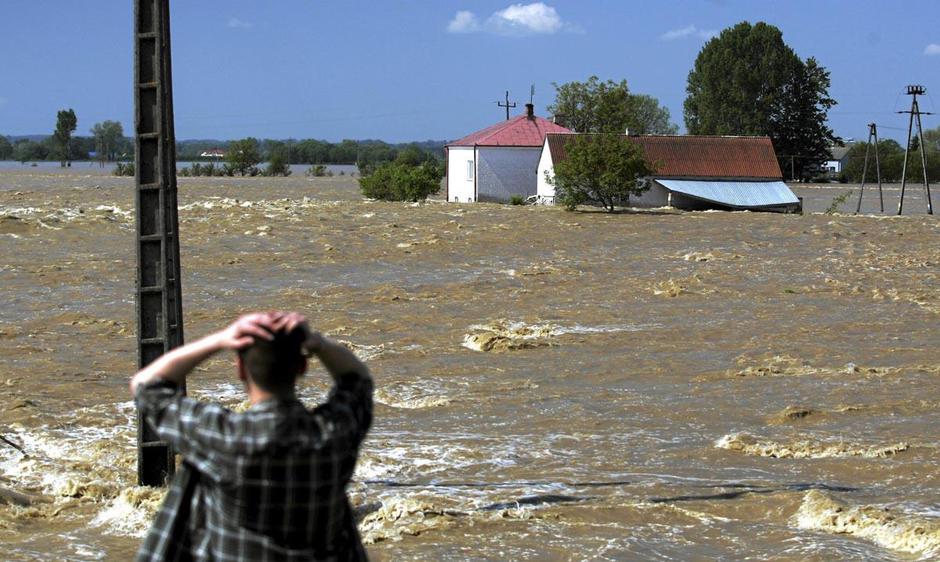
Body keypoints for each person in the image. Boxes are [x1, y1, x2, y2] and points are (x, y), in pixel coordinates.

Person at [130, 311, 373, 561]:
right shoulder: (332, 436)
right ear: (302, 367)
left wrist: (221, 339)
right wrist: (317, 342)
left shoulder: (224, 438)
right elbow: (358, 380)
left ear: (240, 370)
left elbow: (146, 385)